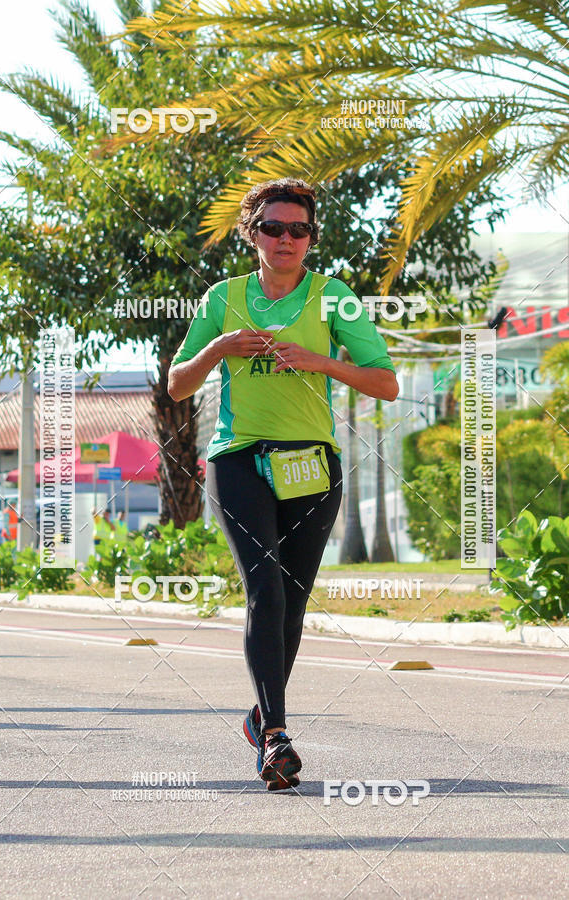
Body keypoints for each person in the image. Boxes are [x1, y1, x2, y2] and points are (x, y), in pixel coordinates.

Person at [167, 178, 398, 791]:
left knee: (291, 603)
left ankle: (258, 715)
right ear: (252, 233)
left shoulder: (336, 299)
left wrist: (321, 361)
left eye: (298, 229)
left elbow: (385, 384)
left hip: (311, 464)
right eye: (273, 227)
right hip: (238, 459)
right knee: (264, 591)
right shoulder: (224, 297)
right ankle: (275, 738)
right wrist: (219, 347)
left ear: (311, 238)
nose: (286, 238)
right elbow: (178, 385)